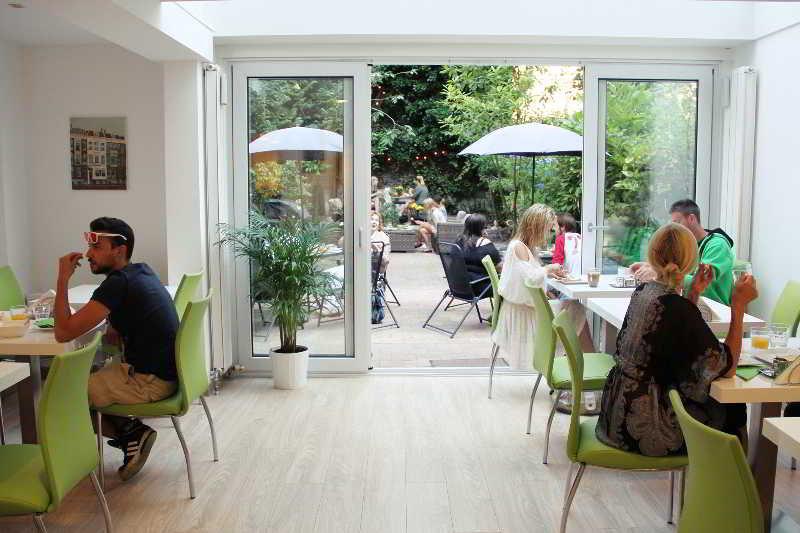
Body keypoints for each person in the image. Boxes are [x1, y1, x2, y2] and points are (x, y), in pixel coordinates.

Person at [596, 222, 757, 456]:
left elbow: (676, 331)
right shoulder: (677, 307)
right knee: (731, 407)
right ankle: (729, 477)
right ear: (691, 262)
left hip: (615, 413)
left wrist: (694, 293)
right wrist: (738, 306)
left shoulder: (644, 292)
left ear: (652, 256)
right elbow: (727, 366)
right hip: (647, 425)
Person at [53, 217, 180, 481]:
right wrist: (115, 322)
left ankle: (131, 433)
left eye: (97, 247)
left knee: (61, 394)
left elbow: (63, 332)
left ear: (119, 250)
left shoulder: (117, 284)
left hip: (148, 382)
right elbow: (119, 324)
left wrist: (62, 279)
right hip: (162, 374)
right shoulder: (141, 271)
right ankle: (131, 433)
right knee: (76, 383)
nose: (88, 254)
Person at [491, 204, 567, 370]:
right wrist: (549, 268)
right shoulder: (518, 246)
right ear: (536, 227)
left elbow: (526, 275)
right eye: (547, 229)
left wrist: (547, 274)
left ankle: (569, 369)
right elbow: (531, 280)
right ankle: (572, 369)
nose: (548, 234)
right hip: (527, 311)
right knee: (574, 310)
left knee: (572, 311)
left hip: (524, 308)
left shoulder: (523, 246)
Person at [631, 199, 734, 305]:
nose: (675, 230)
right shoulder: (688, 244)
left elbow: (702, 282)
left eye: (677, 223)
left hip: (714, 308)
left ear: (691, 218)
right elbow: (675, 270)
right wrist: (653, 266)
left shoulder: (718, 245)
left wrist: (660, 274)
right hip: (693, 304)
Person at [455, 213, 501, 295]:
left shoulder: (458, 242)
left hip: (458, 286)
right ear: (481, 229)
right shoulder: (485, 244)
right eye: (485, 227)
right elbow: (499, 268)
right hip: (480, 287)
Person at [552, 212, 581, 277]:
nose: (553, 228)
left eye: (554, 225)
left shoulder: (560, 239)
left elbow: (556, 263)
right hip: (583, 276)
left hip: (568, 277)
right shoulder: (580, 237)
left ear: (563, 227)